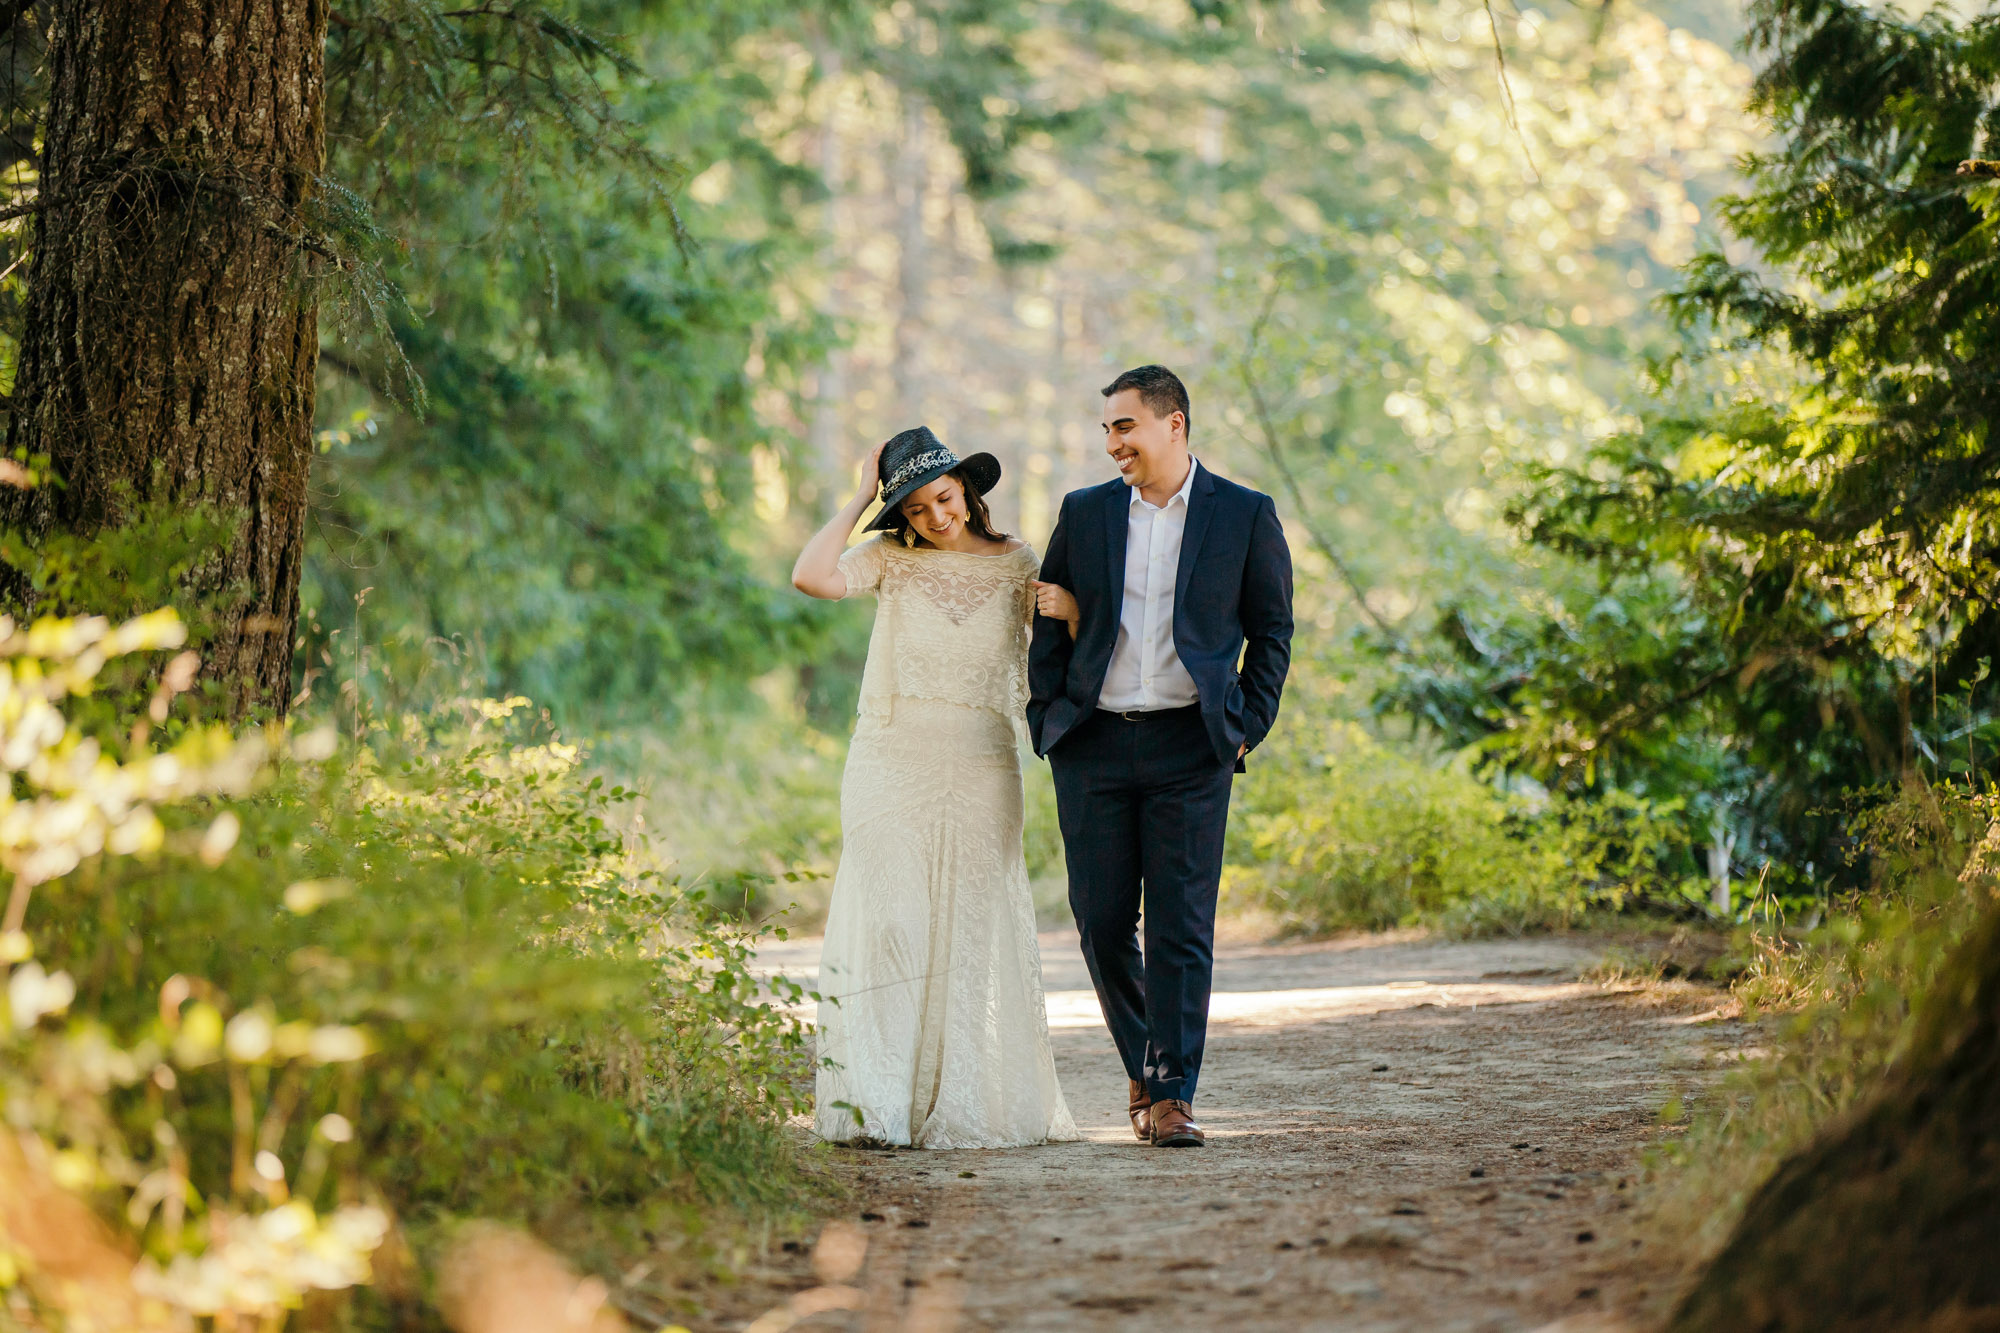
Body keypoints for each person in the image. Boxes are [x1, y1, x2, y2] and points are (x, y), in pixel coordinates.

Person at [1027, 365, 1294, 1148]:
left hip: (1191, 743)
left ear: (1173, 425)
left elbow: (1271, 630)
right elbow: (1051, 616)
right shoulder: (1085, 514)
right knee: (1102, 922)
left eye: (1125, 426)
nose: (1112, 442)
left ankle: (1173, 1091)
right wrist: (1048, 716)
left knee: (1181, 927)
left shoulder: (1244, 514)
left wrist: (1246, 721)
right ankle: (1143, 1062)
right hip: (1094, 743)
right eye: (1107, 428)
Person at [791, 425, 1078, 1149]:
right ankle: (877, 1103)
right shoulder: (889, 557)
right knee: (893, 923)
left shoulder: (1018, 564)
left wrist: (1071, 614)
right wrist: (861, 494)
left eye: (944, 497)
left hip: (983, 764)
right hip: (890, 761)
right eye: (915, 508)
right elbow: (811, 576)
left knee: (967, 935)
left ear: (968, 491)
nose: (936, 516)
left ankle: (955, 1103)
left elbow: (1065, 649)